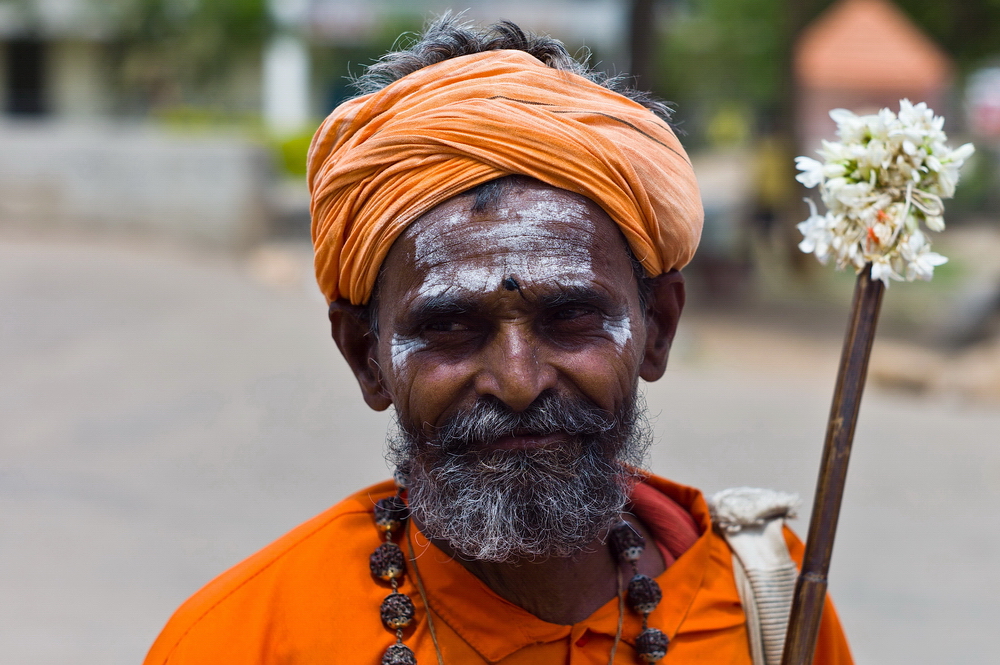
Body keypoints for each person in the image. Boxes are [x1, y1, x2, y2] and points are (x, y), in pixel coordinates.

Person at [144, 18, 853, 665]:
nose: (518, 380)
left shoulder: (774, 604)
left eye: (570, 317)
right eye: (450, 327)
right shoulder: (239, 641)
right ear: (366, 355)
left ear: (658, 327)